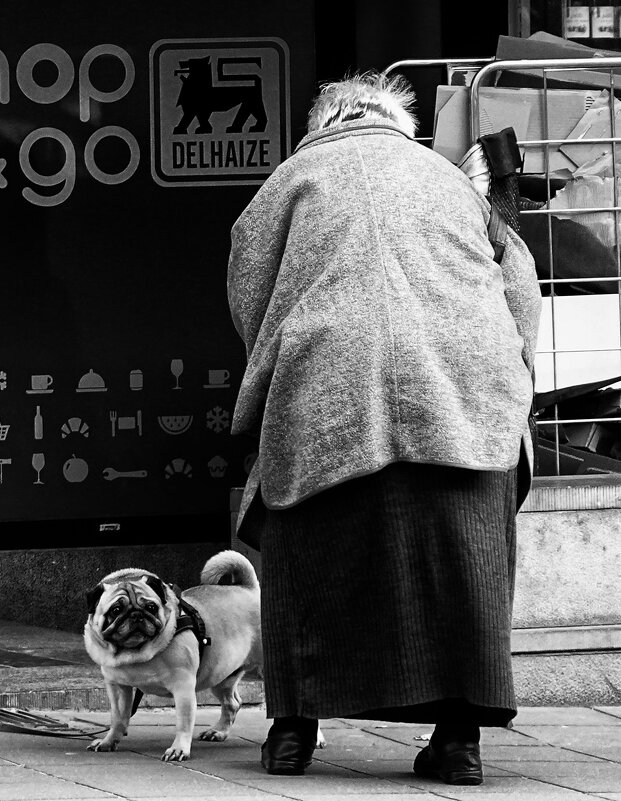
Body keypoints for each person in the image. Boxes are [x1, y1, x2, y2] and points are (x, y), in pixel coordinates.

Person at [226, 73, 540, 786]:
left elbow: (250, 290)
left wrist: (277, 372)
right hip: (467, 385)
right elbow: (516, 277)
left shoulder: (287, 179)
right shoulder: (445, 177)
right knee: (465, 563)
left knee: (305, 553)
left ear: (322, 123)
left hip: (328, 382)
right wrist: (510, 380)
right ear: (401, 124)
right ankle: (457, 739)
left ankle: (290, 734)